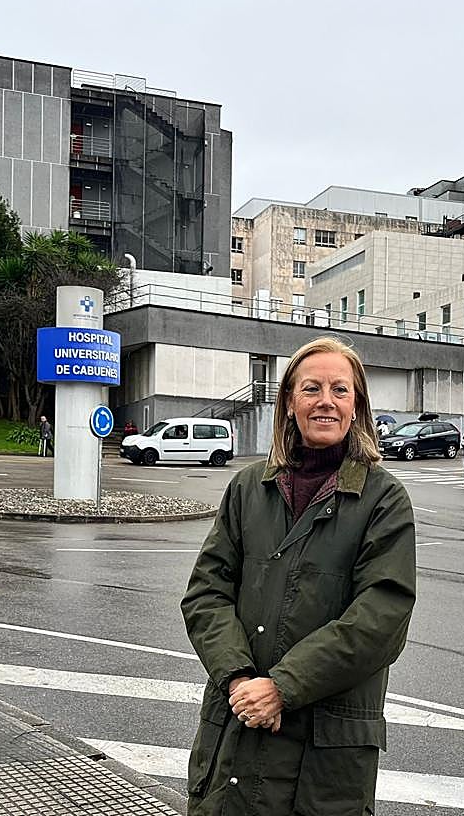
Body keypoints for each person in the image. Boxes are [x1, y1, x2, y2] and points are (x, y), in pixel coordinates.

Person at [180, 336, 417, 814]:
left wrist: (283, 686)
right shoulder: (249, 488)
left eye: (339, 390)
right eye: (311, 389)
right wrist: (238, 678)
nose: (325, 401)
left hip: (324, 755)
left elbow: (381, 617)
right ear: (290, 403)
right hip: (240, 728)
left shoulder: (383, 501)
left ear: (357, 406)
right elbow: (206, 592)